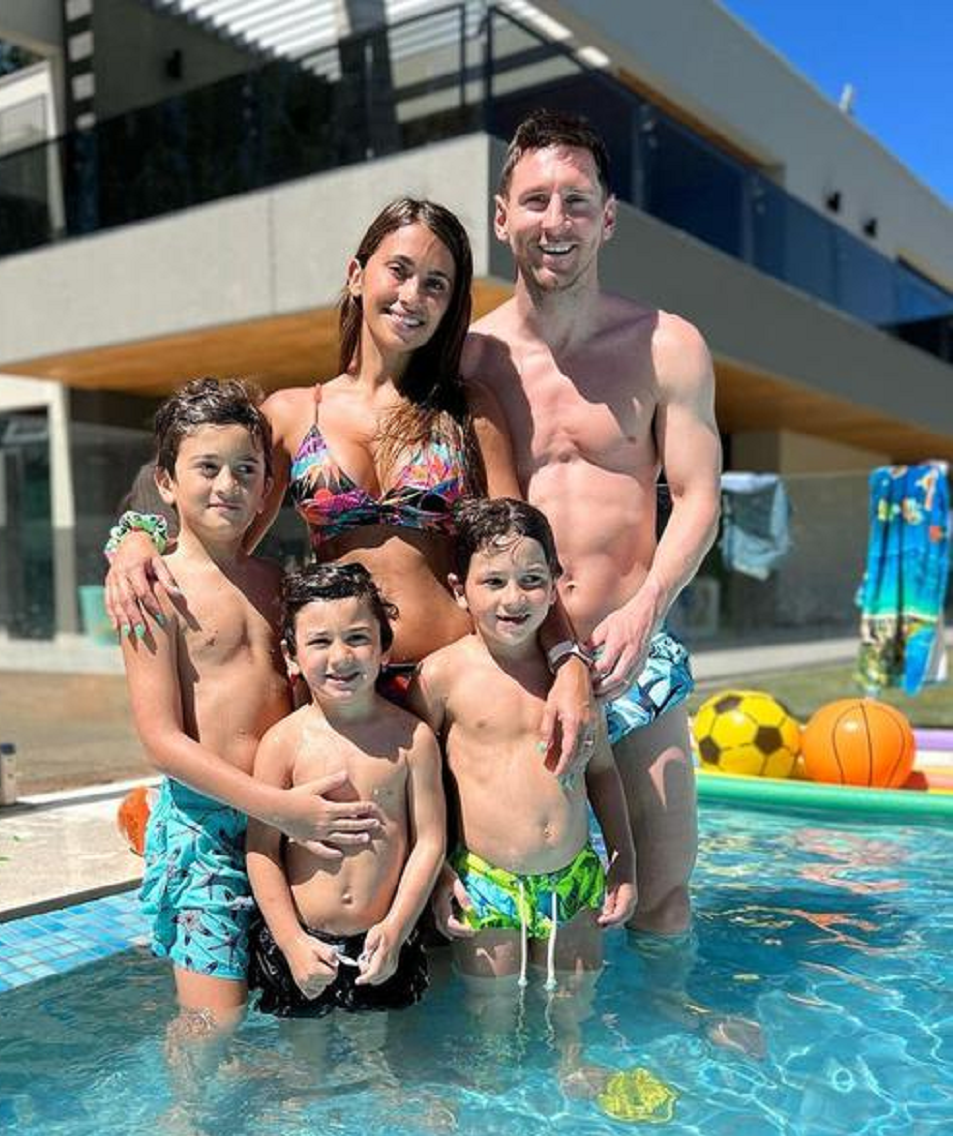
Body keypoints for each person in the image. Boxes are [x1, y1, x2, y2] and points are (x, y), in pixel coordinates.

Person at [103, 197, 595, 776]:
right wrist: (134, 539)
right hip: (342, 693)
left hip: (455, 684)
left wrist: (569, 662)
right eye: (400, 270)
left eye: (437, 284)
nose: (414, 296)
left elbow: (522, 549)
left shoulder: (467, 412)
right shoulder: (291, 415)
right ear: (357, 276)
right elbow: (209, 508)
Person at [450, 110, 722, 944]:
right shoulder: (468, 357)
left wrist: (646, 611)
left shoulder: (667, 345)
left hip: (628, 652)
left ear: (607, 217)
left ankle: (671, 1056)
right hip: (513, 668)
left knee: (664, 894)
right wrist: (142, 529)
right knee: (497, 909)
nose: (554, 222)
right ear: (502, 218)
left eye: (575, 200)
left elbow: (700, 497)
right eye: (535, 201)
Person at [121, 377, 385, 1029]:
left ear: (268, 487)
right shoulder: (157, 588)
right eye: (206, 468)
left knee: (300, 998)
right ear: (166, 481)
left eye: (246, 470)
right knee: (215, 1023)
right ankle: (187, 1133)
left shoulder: (277, 584)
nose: (227, 485)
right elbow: (160, 738)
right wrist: (279, 807)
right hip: (210, 829)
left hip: (285, 825)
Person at [408, 499, 636, 1084]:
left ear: (556, 585)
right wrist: (436, 873)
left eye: (533, 581)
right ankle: (495, 1089)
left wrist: (624, 862)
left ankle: (572, 1064)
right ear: (461, 590)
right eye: (495, 582)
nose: (514, 599)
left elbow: (604, 772)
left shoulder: (574, 682)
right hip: (487, 882)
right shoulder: (442, 676)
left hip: (575, 875)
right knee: (494, 1010)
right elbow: (417, 781)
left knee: (574, 1002)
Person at [245, 562, 445, 1017]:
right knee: (304, 1074)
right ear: (291, 655)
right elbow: (261, 850)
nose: (340, 657)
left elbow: (429, 841)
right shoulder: (283, 743)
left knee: (382, 1070)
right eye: (319, 642)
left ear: (384, 649)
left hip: (384, 939)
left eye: (357, 638)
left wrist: (396, 928)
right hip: (300, 940)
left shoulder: (412, 740)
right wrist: (291, 942)